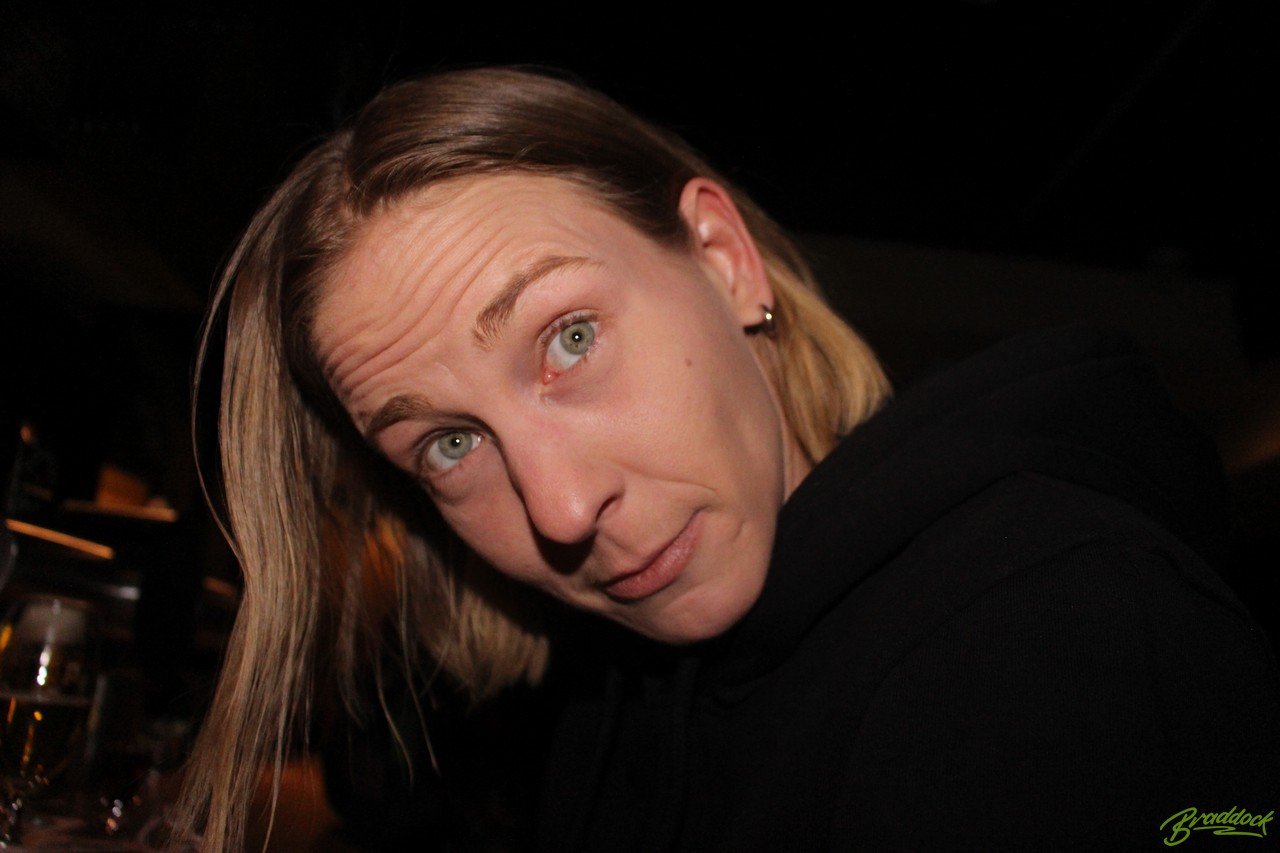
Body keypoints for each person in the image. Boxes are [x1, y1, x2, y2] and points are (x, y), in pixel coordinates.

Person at [177, 67, 1279, 850]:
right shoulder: (613, 700)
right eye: (449, 444)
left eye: (569, 338)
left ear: (723, 259)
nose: (561, 508)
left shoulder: (1048, 633)